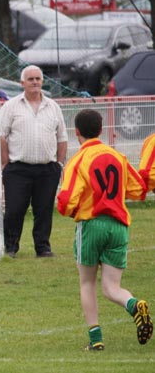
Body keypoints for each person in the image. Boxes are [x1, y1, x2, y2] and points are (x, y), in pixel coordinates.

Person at [57, 109, 152, 351]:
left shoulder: (78, 160)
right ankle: (134, 304)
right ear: (101, 130)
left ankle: (95, 339)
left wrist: (70, 210)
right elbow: (138, 189)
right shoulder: (117, 156)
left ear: (76, 132)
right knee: (112, 288)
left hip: (91, 224)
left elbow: (66, 201)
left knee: (87, 283)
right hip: (119, 226)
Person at [0, 65, 67, 258]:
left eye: (38, 78)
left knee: (44, 210)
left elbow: (62, 138)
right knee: (14, 210)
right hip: (18, 168)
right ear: (22, 83)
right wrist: (5, 164)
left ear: (42, 81)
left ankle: (43, 247)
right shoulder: (11, 106)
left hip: (47, 169)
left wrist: (59, 165)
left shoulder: (53, 107)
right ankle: (11, 247)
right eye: (31, 79)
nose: (35, 82)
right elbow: (1, 136)